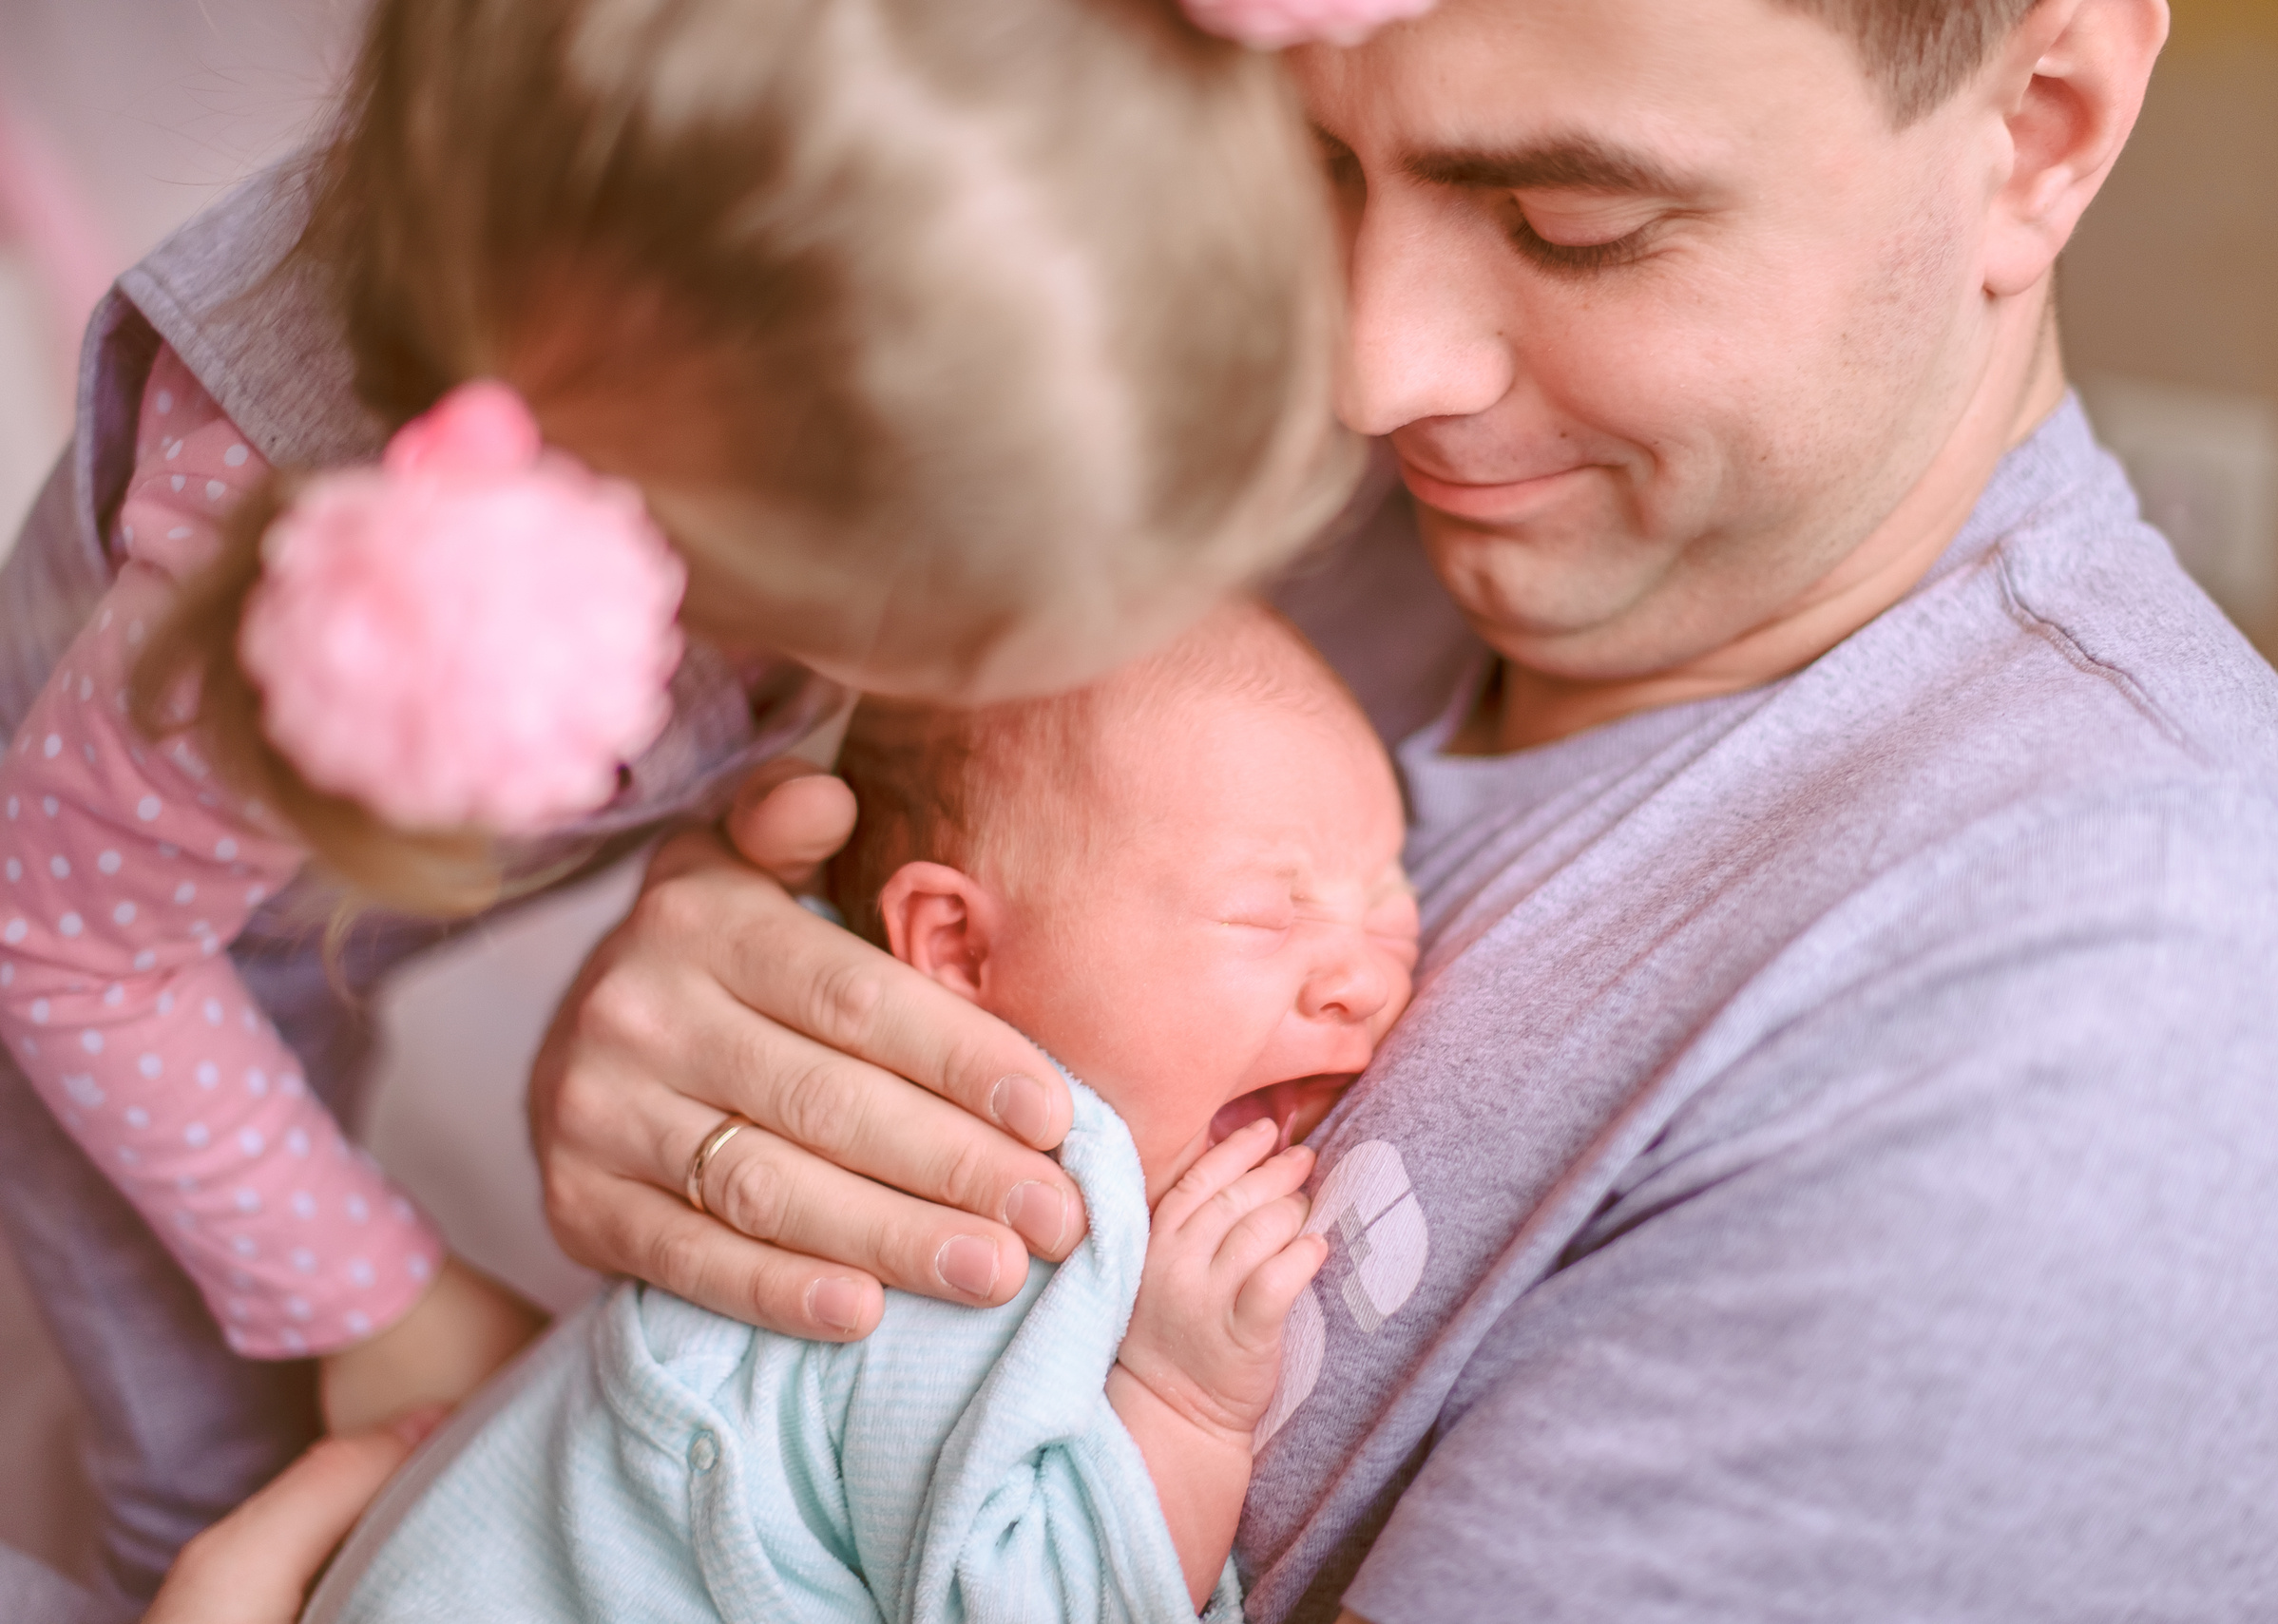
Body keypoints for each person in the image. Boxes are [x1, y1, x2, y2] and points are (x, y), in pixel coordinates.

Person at [9, 0, 2278, 1621]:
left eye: (1570, 218)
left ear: (2039, 130)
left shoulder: (2134, 1022)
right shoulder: (1176, 422)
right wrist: (675, 1024)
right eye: (1304, 165)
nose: (1369, 366)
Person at [0, 0, 1368, 1608]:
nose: (1073, 662)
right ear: (688, 527)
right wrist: (375, 1298)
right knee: (227, 1433)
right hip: (93, 939)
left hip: (298, 857)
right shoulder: (279, 552)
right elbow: (60, 945)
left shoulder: (834, 287)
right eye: (975, 634)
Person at [314, 601, 1417, 1623]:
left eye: (1390, 912)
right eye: (1267, 916)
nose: (1361, 979)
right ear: (955, 946)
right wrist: (1181, 1407)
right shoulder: (978, 1216)